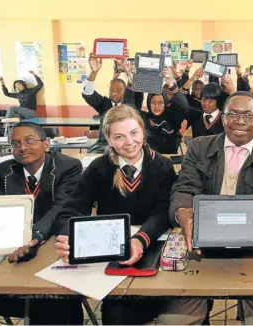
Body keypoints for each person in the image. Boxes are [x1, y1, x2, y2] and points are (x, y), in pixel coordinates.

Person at [164, 91, 253, 325]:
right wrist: (185, 217)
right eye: (233, 114)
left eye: (248, 115)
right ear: (223, 118)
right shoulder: (199, 147)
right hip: (201, 246)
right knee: (176, 320)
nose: (240, 121)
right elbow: (184, 189)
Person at [54, 105, 176, 324]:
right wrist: (69, 236)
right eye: (119, 136)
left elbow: (162, 213)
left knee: (163, 304)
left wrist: (140, 239)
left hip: (152, 243)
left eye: (134, 133)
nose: (128, 142)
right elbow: (72, 209)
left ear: (143, 132)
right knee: (116, 315)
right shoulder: (98, 168)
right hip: (109, 250)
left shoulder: (163, 166)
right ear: (108, 140)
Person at [0, 121, 83, 325]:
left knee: (54, 301)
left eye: (29, 141)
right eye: (15, 144)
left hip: (52, 242)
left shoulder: (68, 167)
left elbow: (59, 208)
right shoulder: (6, 169)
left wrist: (33, 237)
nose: (22, 147)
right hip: (18, 250)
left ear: (47, 144)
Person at [82, 51, 137, 153]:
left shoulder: (131, 104)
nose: (114, 93)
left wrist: (127, 70)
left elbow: (134, 89)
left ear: (126, 91)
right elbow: (87, 93)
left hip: (126, 147)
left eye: (118, 90)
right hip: (103, 147)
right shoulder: (104, 104)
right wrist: (93, 72)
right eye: (111, 91)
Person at [143, 67, 188, 154]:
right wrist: (132, 79)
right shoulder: (143, 118)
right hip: (149, 161)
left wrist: (170, 82)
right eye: (153, 102)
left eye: (160, 102)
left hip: (169, 161)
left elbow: (184, 105)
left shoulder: (172, 116)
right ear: (148, 103)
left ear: (166, 102)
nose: (157, 106)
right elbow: (129, 105)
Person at [181, 67, 235, 139]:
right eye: (203, 99)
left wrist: (231, 89)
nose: (205, 103)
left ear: (217, 101)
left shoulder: (225, 118)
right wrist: (193, 78)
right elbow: (179, 100)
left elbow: (238, 108)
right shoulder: (195, 115)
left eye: (210, 101)